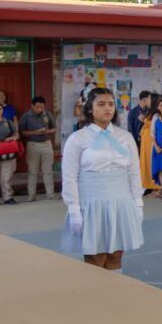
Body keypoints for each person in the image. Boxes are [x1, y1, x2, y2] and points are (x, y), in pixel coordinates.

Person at [60, 88, 144, 272]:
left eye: (111, 104)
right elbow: (69, 176)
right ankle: (96, 298)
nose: (107, 108)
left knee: (115, 254)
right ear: (90, 108)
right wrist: (74, 209)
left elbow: (134, 171)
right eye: (101, 104)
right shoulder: (78, 138)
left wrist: (138, 202)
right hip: (92, 203)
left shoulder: (125, 137)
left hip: (121, 202)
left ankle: (114, 297)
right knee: (95, 256)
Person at [19, 96, 57, 202]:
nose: (40, 109)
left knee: (48, 171)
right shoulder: (26, 116)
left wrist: (46, 131)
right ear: (32, 106)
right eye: (37, 107)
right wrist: (35, 132)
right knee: (32, 171)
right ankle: (31, 196)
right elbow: (22, 132)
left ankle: (50, 194)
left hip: (46, 144)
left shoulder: (48, 114)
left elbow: (54, 129)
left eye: (41, 107)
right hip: (33, 145)